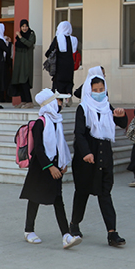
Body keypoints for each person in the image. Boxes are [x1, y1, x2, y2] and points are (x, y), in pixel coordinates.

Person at [69, 74, 128, 247]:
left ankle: (112, 233)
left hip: (104, 158)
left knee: (105, 195)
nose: (99, 93)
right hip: (86, 159)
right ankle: (74, 224)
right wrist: (86, 152)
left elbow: (122, 124)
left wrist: (121, 115)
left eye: (102, 90)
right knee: (82, 193)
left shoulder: (106, 106)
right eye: (95, 90)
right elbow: (79, 134)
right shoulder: (83, 108)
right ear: (89, 91)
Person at [20, 88, 81, 249]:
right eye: (59, 100)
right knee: (34, 198)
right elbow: (38, 149)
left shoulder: (56, 121)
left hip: (54, 166)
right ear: (51, 103)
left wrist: (62, 162)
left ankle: (66, 235)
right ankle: (28, 230)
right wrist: (50, 167)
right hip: (41, 167)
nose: (61, 103)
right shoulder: (41, 123)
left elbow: (59, 145)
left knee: (57, 200)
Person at [10, 19, 36, 106]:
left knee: (25, 80)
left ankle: (29, 101)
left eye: (26, 26)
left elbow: (29, 44)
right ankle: (23, 100)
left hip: (26, 62)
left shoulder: (31, 34)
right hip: (19, 62)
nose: (24, 28)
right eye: (22, 26)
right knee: (19, 81)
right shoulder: (18, 37)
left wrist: (21, 37)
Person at [49, 21, 78, 98]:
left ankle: (58, 100)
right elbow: (74, 51)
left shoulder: (58, 38)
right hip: (70, 64)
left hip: (59, 65)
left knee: (58, 82)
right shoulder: (74, 39)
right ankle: (68, 96)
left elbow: (49, 51)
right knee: (69, 81)